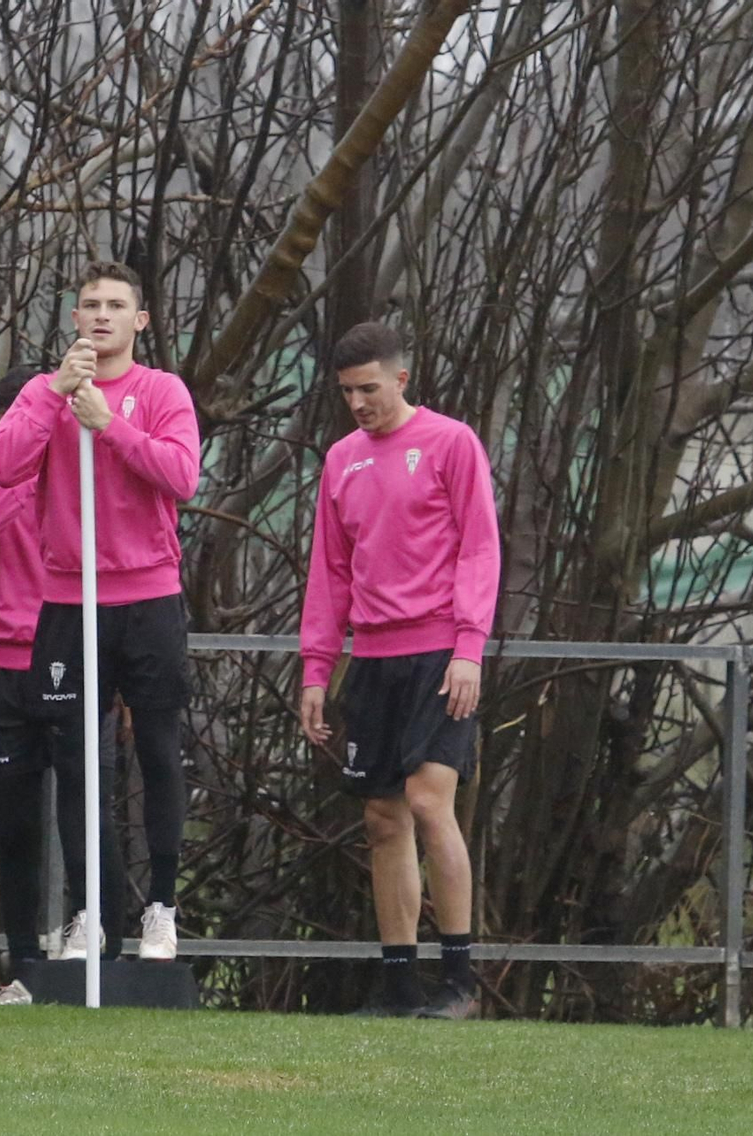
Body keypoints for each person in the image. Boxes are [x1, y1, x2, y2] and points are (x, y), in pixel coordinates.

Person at [0, 260, 200, 961]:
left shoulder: (162, 391)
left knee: (160, 751)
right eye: (89, 305)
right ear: (74, 319)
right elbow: (3, 465)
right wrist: (56, 396)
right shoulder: (50, 395)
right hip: (68, 599)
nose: (101, 315)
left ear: (140, 320)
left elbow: (181, 477)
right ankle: (88, 914)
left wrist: (109, 426)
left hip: (147, 595)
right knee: (79, 760)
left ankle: (161, 909)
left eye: (116, 305)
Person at [298, 321, 500, 1018]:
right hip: (372, 661)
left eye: (370, 388)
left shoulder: (450, 443)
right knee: (383, 820)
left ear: (401, 380)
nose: (359, 403)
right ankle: (398, 989)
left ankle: (459, 982)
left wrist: (470, 647)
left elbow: (479, 548)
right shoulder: (340, 461)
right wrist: (317, 670)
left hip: (440, 655)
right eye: (348, 392)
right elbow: (328, 573)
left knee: (427, 803)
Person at [0, 368, 117, 1003]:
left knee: (85, 811)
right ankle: (22, 965)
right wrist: (16, 483)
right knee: (13, 826)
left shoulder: (78, 476)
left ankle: (94, 948)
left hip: (69, 655)